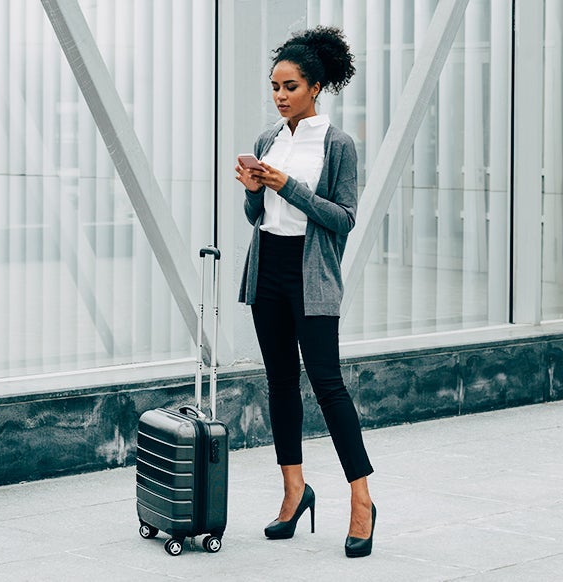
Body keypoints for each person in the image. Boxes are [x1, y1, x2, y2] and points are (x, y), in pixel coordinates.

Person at [235, 26, 376, 558]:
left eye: (289, 86)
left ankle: (361, 499)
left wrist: (286, 186)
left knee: (327, 384)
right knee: (278, 383)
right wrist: (255, 192)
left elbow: (343, 219)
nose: (279, 95)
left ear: (315, 87)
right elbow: (258, 217)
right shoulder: (266, 141)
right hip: (267, 266)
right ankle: (294, 490)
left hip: (310, 275)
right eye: (274, 86)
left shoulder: (338, 145)